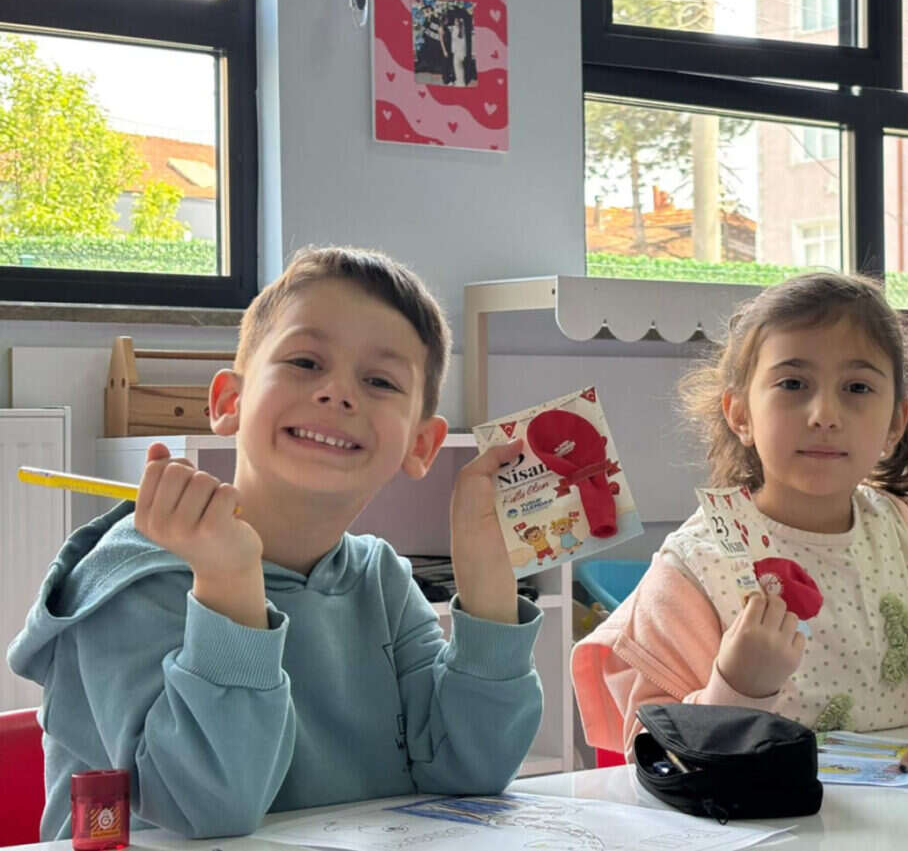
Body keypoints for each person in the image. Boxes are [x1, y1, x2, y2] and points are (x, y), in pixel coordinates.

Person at [7, 247, 543, 840]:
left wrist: (488, 583)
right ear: (228, 403)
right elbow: (209, 809)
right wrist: (229, 585)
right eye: (305, 362)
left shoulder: (382, 580)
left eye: (380, 381)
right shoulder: (130, 574)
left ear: (422, 445)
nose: (338, 393)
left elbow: (471, 772)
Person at [572, 273, 908, 757]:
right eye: (793, 384)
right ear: (740, 414)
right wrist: (736, 688)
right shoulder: (695, 568)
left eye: (857, 387)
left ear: (895, 422)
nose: (824, 414)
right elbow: (653, 756)